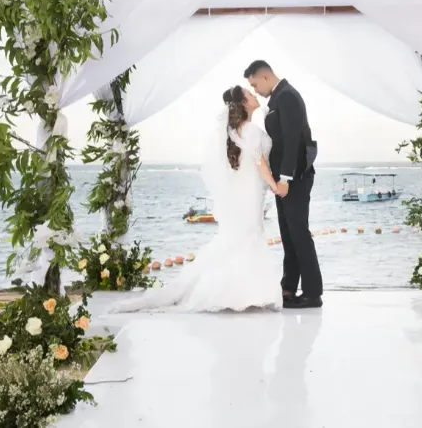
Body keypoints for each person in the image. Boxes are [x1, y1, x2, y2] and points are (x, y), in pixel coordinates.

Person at [106, 85, 282, 313]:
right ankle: (241, 293)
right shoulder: (251, 130)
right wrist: (275, 185)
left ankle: (239, 291)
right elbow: (260, 162)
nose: (254, 95)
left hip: (244, 192)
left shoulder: (235, 130)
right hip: (250, 193)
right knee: (248, 236)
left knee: (240, 238)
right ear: (243, 103)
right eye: (249, 94)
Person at [245, 60, 323, 309]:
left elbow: (292, 141)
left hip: (295, 179)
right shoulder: (278, 98)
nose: (255, 90)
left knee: (299, 233)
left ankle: (313, 293)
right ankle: (288, 288)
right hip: (282, 181)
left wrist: (285, 178)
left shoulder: (288, 96)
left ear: (266, 77)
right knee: (288, 235)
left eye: (255, 84)